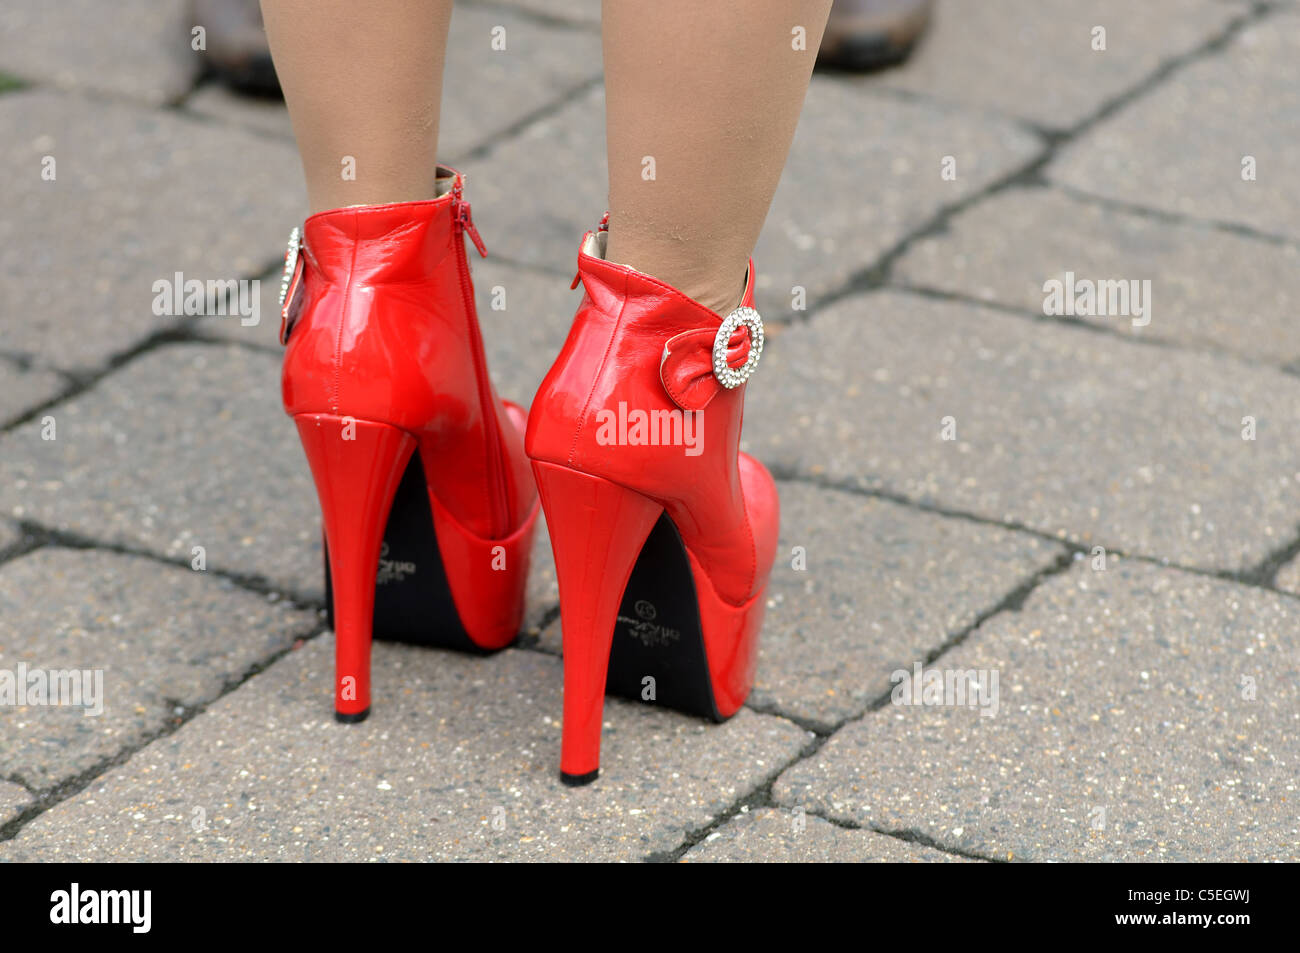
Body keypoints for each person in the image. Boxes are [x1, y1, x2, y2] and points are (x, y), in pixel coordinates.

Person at [264, 0, 831, 785]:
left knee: (367, 243)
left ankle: (362, 305)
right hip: (632, 418)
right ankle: (651, 374)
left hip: (334, 356)